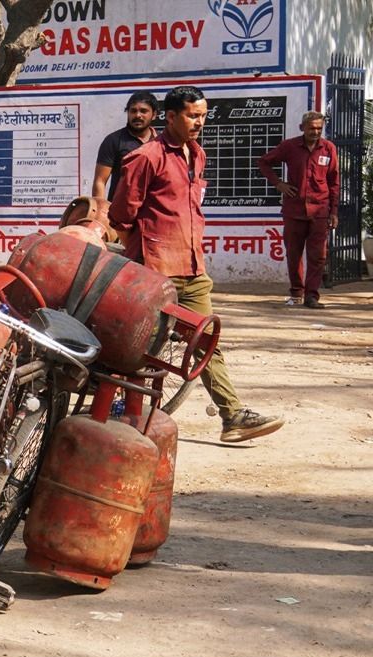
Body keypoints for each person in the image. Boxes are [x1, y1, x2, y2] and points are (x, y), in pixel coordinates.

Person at [108, 85, 284, 444]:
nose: (199, 122)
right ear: (171, 117)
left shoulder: (197, 154)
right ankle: (118, 412)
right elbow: (122, 215)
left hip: (192, 267)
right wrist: (141, 252)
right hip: (155, 269)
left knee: (206, 341)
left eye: (202, 115)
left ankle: (232, 417)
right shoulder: (146, 157)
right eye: (192, 115)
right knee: (140, 348)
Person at [256, 111, 340, 309]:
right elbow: (264, 162)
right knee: (294, 254)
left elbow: (334, 182)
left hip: (320, 210)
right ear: (302, 128)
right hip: (294, 210)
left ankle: (312, 296)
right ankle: (296, 292)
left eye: (319, 128)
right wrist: (279, 184)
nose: (315, 132)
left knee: (318, 256)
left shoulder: (328, 148)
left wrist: (334, 211)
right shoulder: (289, 146)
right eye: (312, 128)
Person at [93, 91, 159, 201]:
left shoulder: (161, 142)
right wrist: (100, 209)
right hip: (121, 209)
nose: (138, 115)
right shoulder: (113, 141)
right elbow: (100, 181)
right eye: (133, 111)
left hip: (153, 209)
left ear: (154, 115)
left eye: (143, 111)